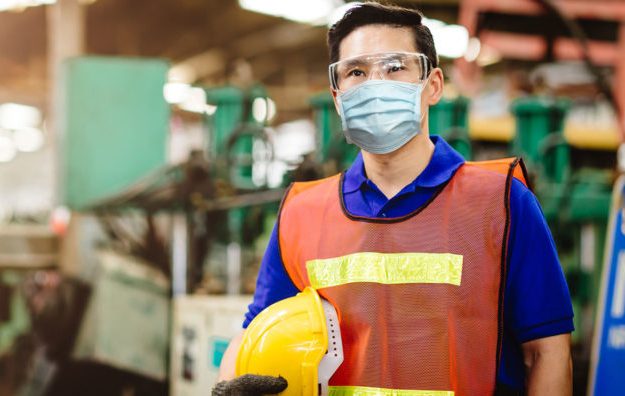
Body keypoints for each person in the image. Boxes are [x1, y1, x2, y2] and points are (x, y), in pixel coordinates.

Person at [214, 2, 573, 395]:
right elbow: (256, 330)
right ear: (338, 98)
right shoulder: (301, 213)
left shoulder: (502, 203)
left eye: (395, 67)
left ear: (432, 85)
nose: (374, 84)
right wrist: (228, 384)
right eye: (356, 71)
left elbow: (546, 354)